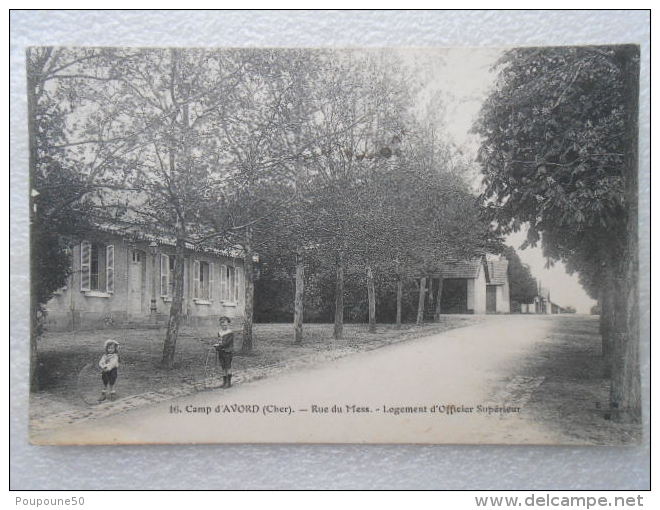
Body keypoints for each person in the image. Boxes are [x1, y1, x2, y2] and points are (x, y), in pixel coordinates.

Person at [214, 316, 234, 388]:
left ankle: (229, 383)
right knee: (223, 367)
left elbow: (226, 343)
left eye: (225, 325)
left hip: (228, 352)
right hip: (221, 352)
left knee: (228, 367)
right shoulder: (220, 332)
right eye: (222, 325)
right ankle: (224, 382)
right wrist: (217, 345)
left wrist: (219, 346)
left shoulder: (230, 333)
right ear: (220, 325)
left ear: (228, 324)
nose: (224, 326)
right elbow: (220, 341)